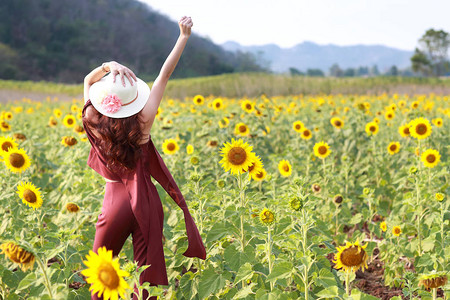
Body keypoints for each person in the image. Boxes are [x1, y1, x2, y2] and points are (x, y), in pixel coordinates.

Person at [81, 16, 206, 300]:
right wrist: (183, 37)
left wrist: (109, 66)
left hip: (114, 202)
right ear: (132, 98)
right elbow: (164, 75)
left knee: (100, 268)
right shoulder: (143, 120)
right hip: (146, 200)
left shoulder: (91, 117)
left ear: (104, 99)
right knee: (145, 274)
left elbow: (88, 80)